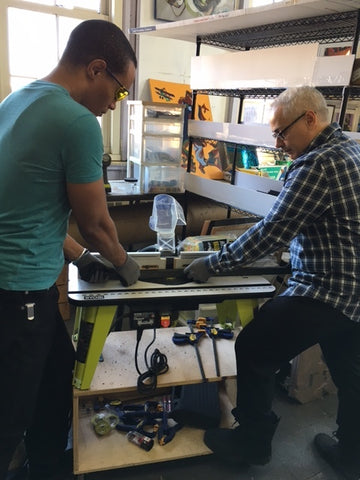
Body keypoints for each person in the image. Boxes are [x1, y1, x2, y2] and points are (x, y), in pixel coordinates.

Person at [184, 86, 360, 480]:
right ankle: (351, 455)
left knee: (255, 348)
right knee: (351, 374)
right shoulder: (349, 149)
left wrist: (214, 262)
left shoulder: (318, 163)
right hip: (355, 289)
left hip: (327, 287)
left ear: (310, 120)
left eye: (282, 133)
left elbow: (272, 231)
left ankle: (252, 443)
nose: (279, 144)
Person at [0, 19, 140, 480]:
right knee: (12, 410)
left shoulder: (15, 101)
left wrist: (80, 257)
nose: (115, 105)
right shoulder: (78, 122)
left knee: (56, 371)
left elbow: (29, 206)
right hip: (17, 290)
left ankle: (44, 462)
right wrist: (124, 263)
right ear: (97, 69)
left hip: (24, 286)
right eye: (119, 92)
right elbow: (98, 224)